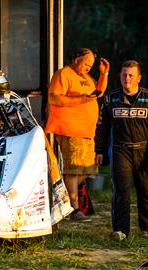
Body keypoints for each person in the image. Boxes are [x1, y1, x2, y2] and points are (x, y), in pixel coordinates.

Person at [45, 48, 110, 221]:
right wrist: (80, 100)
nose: (89, 67)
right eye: (86, 63)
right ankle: (74, 209)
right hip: (69, 129)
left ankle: (62, 193)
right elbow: (54, 98)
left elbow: (98, 93)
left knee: (89, 169)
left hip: (86, 132)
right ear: (76, 59)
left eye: (91, 65)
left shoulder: (86, 78)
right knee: (73, 169)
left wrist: (104, 74)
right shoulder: (63, 74)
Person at [95, 60, 148, 241]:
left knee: (145, 190)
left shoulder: (147, 98)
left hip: (144, 149)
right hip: (120, 150)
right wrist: (99, 150)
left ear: (139, 78)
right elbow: (102, 127)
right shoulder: (110, 98)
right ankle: (120, 230)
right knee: (121, 190)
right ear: (119, 76)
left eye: (131, 75)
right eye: (124, 74)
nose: (127, 78)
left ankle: (146, 228)